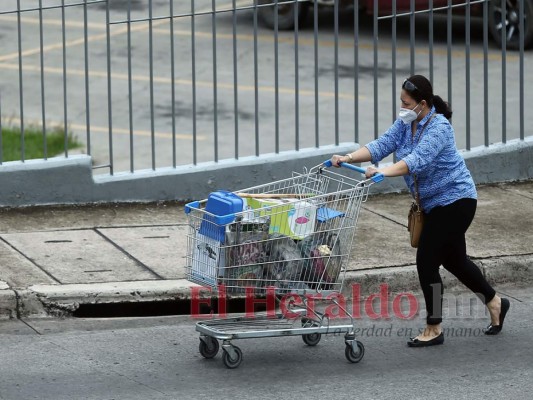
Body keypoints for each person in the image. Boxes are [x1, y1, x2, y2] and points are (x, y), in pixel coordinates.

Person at [330, 74, 510, 347]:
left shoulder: (439, 128)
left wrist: (382, 171)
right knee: (454, 260)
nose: (401, 107)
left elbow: (416, 160)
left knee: (427, 260)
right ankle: (495, 302)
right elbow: (383, 143)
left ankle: (434, 327)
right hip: (432, 204)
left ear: (422, 104)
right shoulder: (406, 123)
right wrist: (348, 157)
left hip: (456, 201)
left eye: (406, 102)